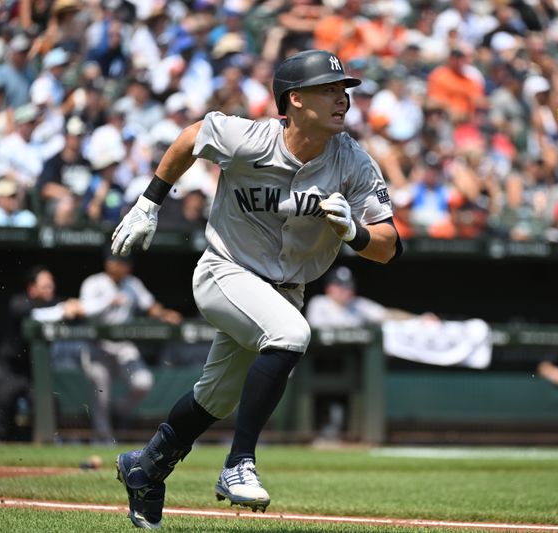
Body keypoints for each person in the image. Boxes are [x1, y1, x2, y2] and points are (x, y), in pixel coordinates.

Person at [110, 49, 401, 528]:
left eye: (343, 90)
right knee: (291, 335)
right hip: (224, 270)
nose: (342, 99)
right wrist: (148, 204)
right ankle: (238, 462)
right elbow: (190, 138)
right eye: (329, 89)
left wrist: (356, 234)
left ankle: (146, 467)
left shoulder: (352, 161)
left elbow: (389, 247)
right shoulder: (251, 138)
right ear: (295, 100)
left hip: (284, 288)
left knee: (216, 399)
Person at [78, 250, 182, 444]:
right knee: (101, 395)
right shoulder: (94, 283)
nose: (123, 266)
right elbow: (84, 311)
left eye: (126, 263)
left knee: (143, 382)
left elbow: (150, 305)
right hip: (97, 345)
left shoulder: (132, 284)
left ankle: (119, 411)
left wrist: (163, 314)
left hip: (123, 345)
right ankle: (103, 440)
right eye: (118, 262)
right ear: (108, 263)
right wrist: (108, 301)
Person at [0, 266, 84, 441]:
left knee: (49, 407)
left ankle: (48, 445)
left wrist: (73, 307)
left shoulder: (54, 302)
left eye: (51, 285)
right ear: (32, 288)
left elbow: (75, 309)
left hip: (33, 372)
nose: (51, 288)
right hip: (10, 370)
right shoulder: (19, 302)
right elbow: (34, 315)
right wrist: (63, 310)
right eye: (45, 286)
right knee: (3, 412)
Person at [306, 266, 421, 328]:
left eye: (349, 286)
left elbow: (386, 314)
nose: (346, 290)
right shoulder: (319, 303)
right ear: (329, 288)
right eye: (340, 286)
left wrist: (418, 319)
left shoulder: (357, 304)